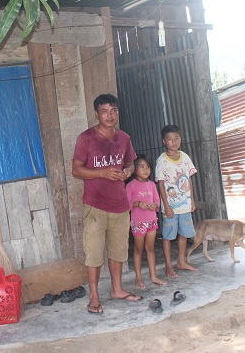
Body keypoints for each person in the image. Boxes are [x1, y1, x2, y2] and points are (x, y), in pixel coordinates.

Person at [72, 93, 142, 314]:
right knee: (93, 254)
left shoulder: (124, 138)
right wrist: (102, 172)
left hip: (120, 206)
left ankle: (117, 289)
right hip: (95, 205)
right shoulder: (86, 138)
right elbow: (76, 170)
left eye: (113, 110)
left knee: (118, 251)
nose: (109, 115)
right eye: (104, 111)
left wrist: (128, 171)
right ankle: (94, 296)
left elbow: (130, 163)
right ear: (96, 114)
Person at [155, 124, 198, 277]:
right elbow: (160, 183)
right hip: (170, 207)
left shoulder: (185, 157)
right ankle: (168, 265)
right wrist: (166, 206)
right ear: (163, 141)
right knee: (168, 236)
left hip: (185, 205)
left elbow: (188, 180)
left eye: (176, 138)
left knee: (184, 234)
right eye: (170, 139)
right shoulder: (162, 161)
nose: (174, 142)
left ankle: (181, 261)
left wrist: (192, 200)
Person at [126, 155, 167, 289]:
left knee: (150, 249)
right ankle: (138, 278)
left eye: (148, 167)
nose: (145, 170)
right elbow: (127, 204)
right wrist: (138, 203)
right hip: (138, 222)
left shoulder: (152, 185)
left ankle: (153, 276)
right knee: (138, 249)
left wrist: (155, 206)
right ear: (134, 169)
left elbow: (157, 201)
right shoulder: (131, 185)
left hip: (151, 222)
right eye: (142, 167)